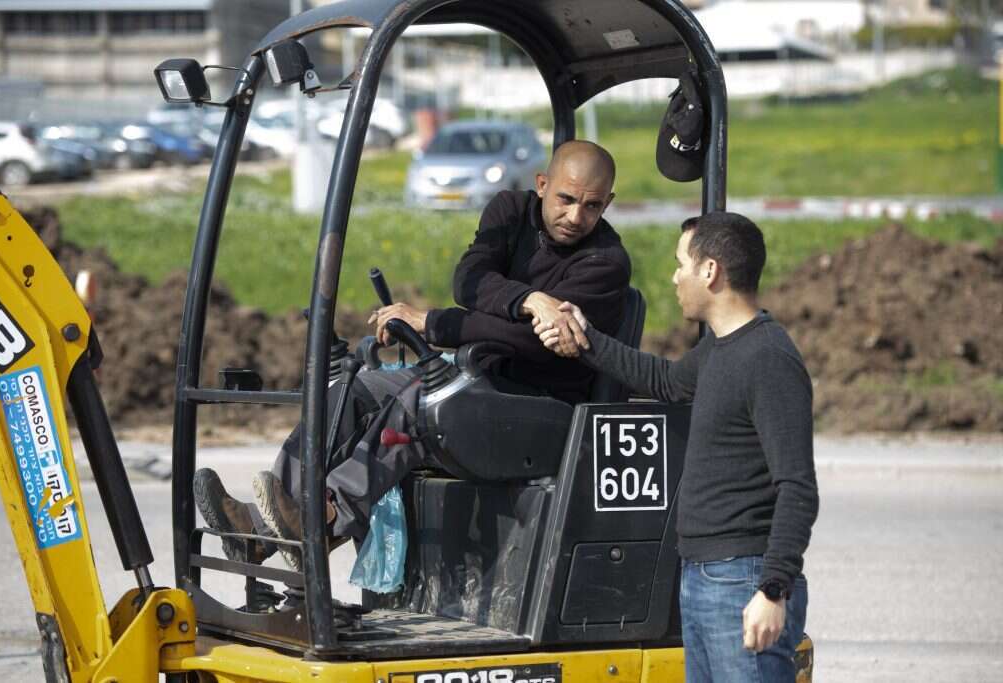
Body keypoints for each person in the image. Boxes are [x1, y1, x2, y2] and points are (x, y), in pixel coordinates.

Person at [195, 139, 632, 568]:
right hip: (482, 381)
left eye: (592, 206)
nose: (576, 216)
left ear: (607, 203)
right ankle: (264, 531)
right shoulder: (510, 212)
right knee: (355, 389)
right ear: (541, 184)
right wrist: (529, 300)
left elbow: (528, 341)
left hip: (543, 409)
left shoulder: (606, 263)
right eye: (566, 199)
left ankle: (323, 518)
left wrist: (434, 323)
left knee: (424, 404)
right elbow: (470, 282)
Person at [536, 212, 819, 683]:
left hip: (744, 582)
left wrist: (773, 589)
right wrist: (585, 337)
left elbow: (798, 487)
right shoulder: (721, 347)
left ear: (710, 271)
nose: (674, 277)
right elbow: (665, 381)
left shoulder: (768, 358)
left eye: (681, 263)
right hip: (704, 576)